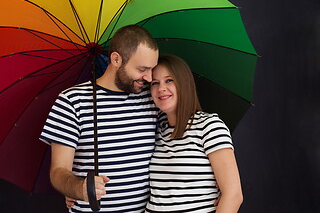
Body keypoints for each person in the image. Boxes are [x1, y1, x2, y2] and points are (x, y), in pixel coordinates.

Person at [40, 25, 159, 212]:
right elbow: (58, 172)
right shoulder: (72, 101)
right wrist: (78, 188)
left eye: (152, 69)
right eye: (142, 69)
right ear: (116, 59)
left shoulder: (152, 98)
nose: (150, 77)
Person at [145, 55, 243, 213]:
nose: (161, 88)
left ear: (184, 84)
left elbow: (233, 195)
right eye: (155, 83)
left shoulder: (209, 126)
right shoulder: (158, 130)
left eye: (169, 80)